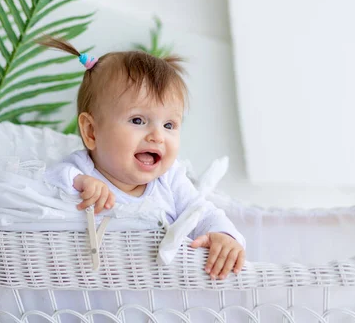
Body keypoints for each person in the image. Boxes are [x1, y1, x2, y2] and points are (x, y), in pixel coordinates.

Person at [41, 37, 245, 280]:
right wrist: (79, 182)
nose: (158, 136)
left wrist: (224, 236)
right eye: (138, 120)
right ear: (91, 131)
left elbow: (202, 212)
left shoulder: (169, 179)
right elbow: (44, 181)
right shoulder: (83, 169)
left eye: (169, 124)